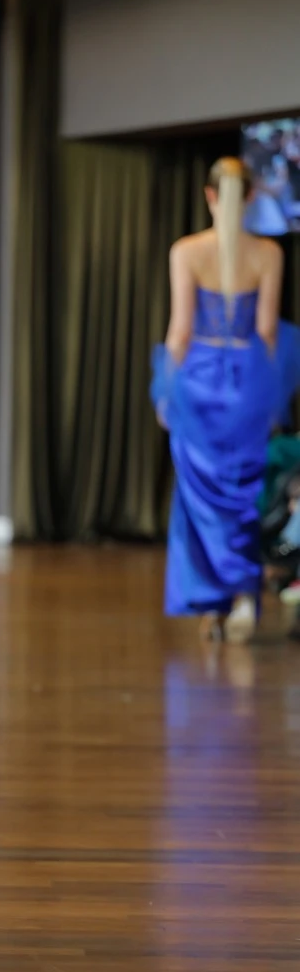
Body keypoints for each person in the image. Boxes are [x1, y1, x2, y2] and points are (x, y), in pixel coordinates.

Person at [151, 157, 298, 643]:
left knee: (199, 498)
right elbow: (266, 332)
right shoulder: (269, 253)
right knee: (244, 494)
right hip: (247, 379)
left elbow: (180, 332)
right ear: (251, 196)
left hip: (199, 381)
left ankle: (211, 602)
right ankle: (243, 597)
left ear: (209, 195)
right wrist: (270, 395)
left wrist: (166, 391)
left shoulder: (186, 251)